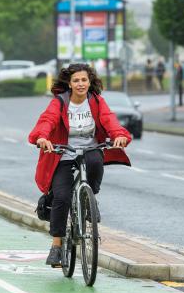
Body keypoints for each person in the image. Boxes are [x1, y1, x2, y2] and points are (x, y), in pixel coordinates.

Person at [28, 63, 132, 267]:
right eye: (76, 80)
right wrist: (42, 137)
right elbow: (47, 120)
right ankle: (57, 246)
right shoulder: (60, 102)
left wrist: (119, 135)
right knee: (62, 196)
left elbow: (110, 120)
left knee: (95, 162)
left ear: (90, 81)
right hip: (62, 153)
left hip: (90, 149)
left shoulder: (96, 101)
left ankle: (88, 199)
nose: (80, 84)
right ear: (69, 83)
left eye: (84, 80)